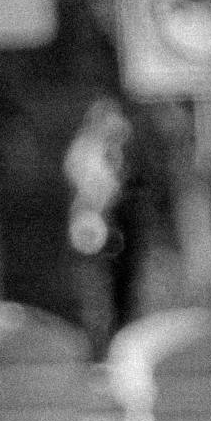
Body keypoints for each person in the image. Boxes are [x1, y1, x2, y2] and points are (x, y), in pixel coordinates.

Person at [61, 97, 141, 348]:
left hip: (118, 221)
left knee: (122, 285)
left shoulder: (122, 150)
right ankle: (97, 340)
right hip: (93, 221)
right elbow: (90, 185)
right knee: (95, 285)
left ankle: (117, 339)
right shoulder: (86, 149)